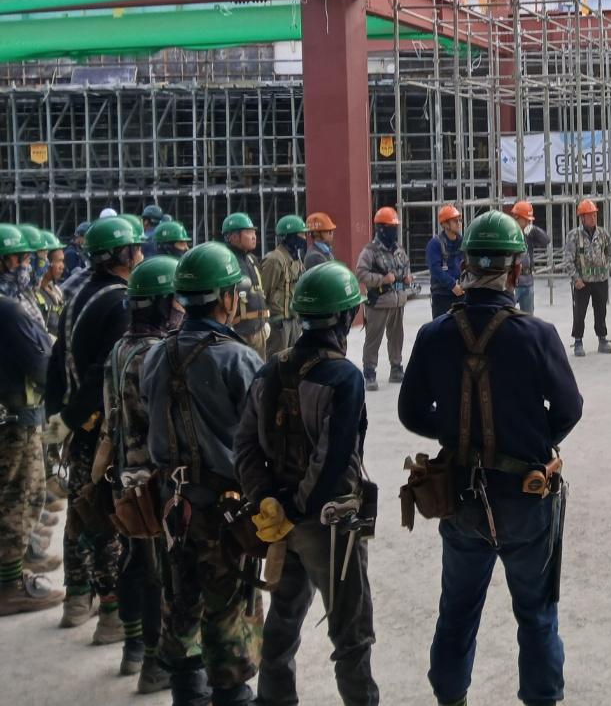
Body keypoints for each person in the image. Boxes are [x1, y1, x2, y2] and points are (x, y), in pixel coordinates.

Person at [398, 211, 582, 706]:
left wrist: (459, 435)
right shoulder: (537, 335)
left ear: (465, 266)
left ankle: (450, 697)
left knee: (457, 611)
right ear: (515, 270)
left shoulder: (434, 335)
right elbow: (570, 408)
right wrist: (529, 440)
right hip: (526, 496)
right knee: (537, 615)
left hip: (460, 496)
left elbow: (410, 411)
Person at [236, 262, 379, 706]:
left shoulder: (269, 370)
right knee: (351, 632)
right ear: (344, 317)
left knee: (283, 619)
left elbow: (244, 445)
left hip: (279, 522)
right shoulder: (344, 377)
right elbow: (333, 458)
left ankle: (273, 700)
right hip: (328, 526)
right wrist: (299, 505)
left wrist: (267, 500)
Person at [142, 242, 263, 706]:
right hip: (224, 509)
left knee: (181, 600)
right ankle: (231, 695)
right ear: (226, 298)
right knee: (228, 608)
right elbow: (261, 438)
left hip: (173, 507)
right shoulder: (237, 358)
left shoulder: (155, 355)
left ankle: (187, 695)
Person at [104, 255, 182, 693]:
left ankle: (134, 648)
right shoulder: (156, 353)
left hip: (125, 475)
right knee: (162, 574)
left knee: (137, 561)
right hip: (154, 481)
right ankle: (155, 663)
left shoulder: (121, 348)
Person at [58, 214, 136, 639]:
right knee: (107, 515)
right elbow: (102, 371)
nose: (139, 255)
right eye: (135, 249)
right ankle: (112, 613)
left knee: (80, 508)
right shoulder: (120, 302)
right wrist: (75, 415)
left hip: (79, 422)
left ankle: (76, 598)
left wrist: (62, 414)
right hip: (101, 428)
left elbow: (59, 357)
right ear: (122, 255)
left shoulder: (79, 291)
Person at [0, 291, 64, 616]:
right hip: (13, 423)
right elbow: (41, 364)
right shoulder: (9, 310)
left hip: (12, 418)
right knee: (19, 498)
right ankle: (9, 585)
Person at [356, 207, 411, 391]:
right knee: (373, 339)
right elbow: (361, 274)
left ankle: (396, 367)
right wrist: (382, 279)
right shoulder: (370, 251)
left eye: (395, 227)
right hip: (379, 302)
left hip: (398, 301)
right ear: (381, 228)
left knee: (396, 337)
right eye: (390, 227)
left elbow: (406, 265)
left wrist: (407, 277)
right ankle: (369, 373)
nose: (394, 231)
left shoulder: (398, 249)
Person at [563, 198, 611, 357]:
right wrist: (576, 278)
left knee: (601, 311)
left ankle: (602, 339)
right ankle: (578, 341)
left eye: (594, 215)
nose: (593, 218)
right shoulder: (574, 236)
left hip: (600, 280)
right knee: (579, 313)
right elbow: (568, 260)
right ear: (582, 217)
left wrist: (604, 267)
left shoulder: (603, 234)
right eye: (589, 215)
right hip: (582, 281)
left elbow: (609, 252)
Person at [222, 212, 271, 358]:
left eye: (254, 232)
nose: (254, 236)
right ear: (233, 237)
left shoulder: (251, 259)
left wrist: (265, 321)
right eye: (248, 232)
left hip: (258, 328)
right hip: (240, 332)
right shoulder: (226, 261)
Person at [260, 216, 307, 355]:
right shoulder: (274, 260)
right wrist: (264, 322)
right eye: (301, 234)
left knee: (293, 359)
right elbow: (263, 293)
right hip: (278, 323)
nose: (304, 238)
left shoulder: (296, 259)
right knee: (277, 360)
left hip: (293, 321)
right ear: (290, 237)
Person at [509, 200, 549, 315]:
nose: (528, 222)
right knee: (507, 314)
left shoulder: (529, 233)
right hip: (512, 282)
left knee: (528, 317)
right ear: (516, 217)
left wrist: (533, 228)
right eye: (525, 219)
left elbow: (546, 241)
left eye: (529, 220)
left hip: (528, 280)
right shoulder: (508, 233)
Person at [426, 204, 465, 318]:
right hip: (442, 296)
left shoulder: (463, 243)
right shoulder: (435, 244)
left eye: (459, 220)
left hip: (461, 294)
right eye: (455, 221)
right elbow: (435, 269)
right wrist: (452, 285)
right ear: (444, 224)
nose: (459, 223)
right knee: (442, 326)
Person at [31, 231, 66, 338]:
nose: (62, 266)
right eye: (59, 261)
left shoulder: (57, 291)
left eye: (63, 261)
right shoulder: (31, 296)